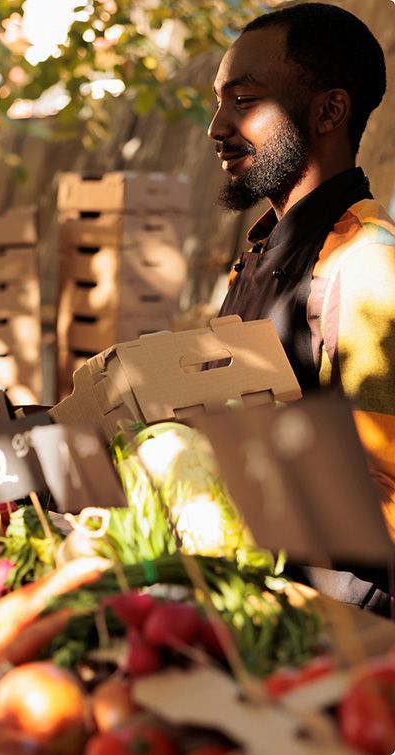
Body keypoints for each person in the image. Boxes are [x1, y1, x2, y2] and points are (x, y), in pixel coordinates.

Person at [209, 3, 394, 611]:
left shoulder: (367, 265)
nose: (216, 128)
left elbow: (384, 499)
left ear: (329, 111)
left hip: (332, 629)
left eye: (243, 100)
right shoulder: (262, 249)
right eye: (219, 101)